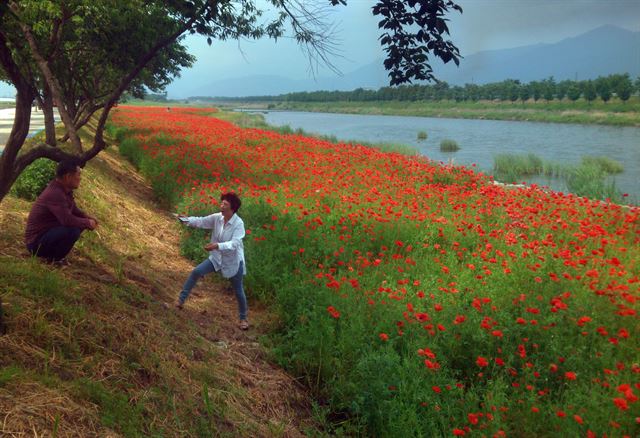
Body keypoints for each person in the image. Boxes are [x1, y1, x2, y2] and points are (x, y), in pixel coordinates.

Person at [177, 192, 249, 330]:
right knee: (196, 272)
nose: (221, 206)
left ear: (232, 208)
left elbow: (234, 244)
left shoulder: (238, 224)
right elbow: (201, 221)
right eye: (221, 203)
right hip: (216, 258)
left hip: (233, 261)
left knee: (238, 289)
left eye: (225, 204)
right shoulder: (217, 218)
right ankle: (180, 301)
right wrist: (186, 220)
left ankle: (243, 318)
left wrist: (217, 246)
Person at [24, 159, 98, 264]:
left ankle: (54, 255)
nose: (80, 178)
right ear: (68, 177)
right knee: (73, 230)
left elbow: (74, 210)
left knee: (78, 224)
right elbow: (67, 220)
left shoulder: (65, 191)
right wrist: (87, 222)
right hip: (36, 243)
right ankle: (54, 259)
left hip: (47, 234)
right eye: (78, 175)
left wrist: (88, 217)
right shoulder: (55, 193)